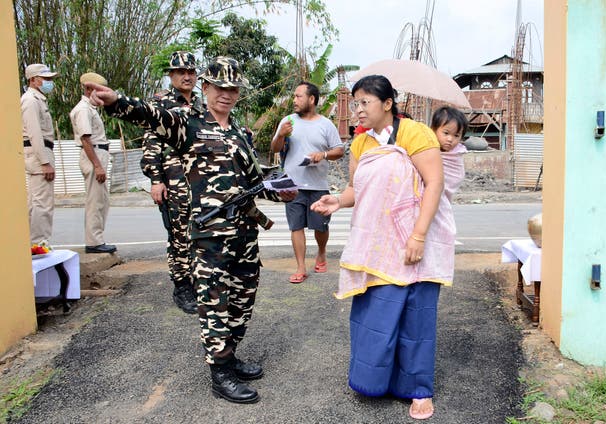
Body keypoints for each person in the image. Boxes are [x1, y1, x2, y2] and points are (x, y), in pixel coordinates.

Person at [86, 56, 296, 404]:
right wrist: (116, 101)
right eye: (219, 87)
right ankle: (220, 373)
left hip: (245, 234)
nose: (226, 94)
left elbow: (253, 179)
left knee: (242, 302)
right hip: (211, 235)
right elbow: (152, 115)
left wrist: (278, 191)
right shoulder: (189, 124)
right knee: (215, 304)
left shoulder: (240, 131)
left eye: (233, 89)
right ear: (206, 87)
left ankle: (230, 354)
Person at [311, 75, 453, 420]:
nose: (357, 110)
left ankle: (418, 390)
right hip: (377, 245)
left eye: (364, 102)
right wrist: (337, 202)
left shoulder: (414, 133)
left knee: (414, 319)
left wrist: (418, 236)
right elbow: (356, 189)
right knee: (375, 317)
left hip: (411, 241)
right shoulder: (360, 144)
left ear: (388, 103)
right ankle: (376, 380)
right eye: (355, 102)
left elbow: (434, 182)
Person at [140, 51, 201, 314]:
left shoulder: (202, 103)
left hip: (200, 179)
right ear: (171, 75)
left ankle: (197, 280)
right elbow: (151, 144)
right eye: (181, 72)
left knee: (199, 232)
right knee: (178, 234)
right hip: (173, 178)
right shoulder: (160, 103)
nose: (187, 76)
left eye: (191, 72)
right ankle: (182, 285)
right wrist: (156, 180)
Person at [271, 82, 344, 283]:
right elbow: (275, 148)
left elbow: (339, 151)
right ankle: (301, 267)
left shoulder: (325, 124)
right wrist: (280, 135)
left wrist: (324, 154)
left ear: (311, 99)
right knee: (296, 226)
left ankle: (321, 252)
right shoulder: (287, 121)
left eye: (298, 96)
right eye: (293, 96)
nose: (294, 100)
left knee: (320, 226)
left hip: (318, 185)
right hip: (291, 186)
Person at [69, 72, 117, 254]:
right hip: (93, 154)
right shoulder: (83, 110)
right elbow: (86, 140)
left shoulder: (90, 108)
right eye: (98, 90)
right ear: (89, 89)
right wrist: (97, 165)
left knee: (102, 200)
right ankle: (94, 242)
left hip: (98, 153)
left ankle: (97, 239)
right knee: (95, 200)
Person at [21, 63, 58, 245]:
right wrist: (44, 161)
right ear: (34, 80)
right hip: (38, 154)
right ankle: (38, 243)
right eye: (46, 79)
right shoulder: (30, 100)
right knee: (41, 203)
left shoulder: (38, 99)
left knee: (38, 201)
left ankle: (35, 242)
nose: (49, 82)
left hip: (41, 152)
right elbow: (34, 132)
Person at [430, 106, 469, 204]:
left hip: (442, 200)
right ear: (433, 130)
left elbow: (456, 177)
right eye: (446, 133)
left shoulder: (455, 155)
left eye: (456, 135)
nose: (450, 139)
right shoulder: (426, 148)